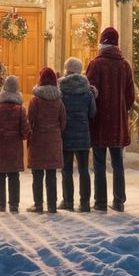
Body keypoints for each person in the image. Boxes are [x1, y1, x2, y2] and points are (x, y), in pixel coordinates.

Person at [87, 27, 137, 212]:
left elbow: (89, 93)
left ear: (102, 44)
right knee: (118, 163)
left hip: (100, 120)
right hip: (118, 122)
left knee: (99, 162)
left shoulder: (95, 65)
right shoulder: (125, 66)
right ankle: (119, 200)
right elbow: (131, 96)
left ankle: (100, 201)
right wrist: (123, 109)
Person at [0, 75, 30, 213]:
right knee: (14, 176)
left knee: (0, 176)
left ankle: (1, 204)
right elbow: (26, 130)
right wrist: (23, 136)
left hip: (0, 148)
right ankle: (14, 205)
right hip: (14, 148)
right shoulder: (20, 110)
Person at [58, 57, 97, 213]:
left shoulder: (62, 89)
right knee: (83, 170)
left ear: (67, 70)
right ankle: (85, 203)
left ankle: (68, 201)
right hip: (83, 134)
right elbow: (93, 112)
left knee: (66, 169)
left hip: (66, 134)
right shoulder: (87, 91)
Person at [26, 67, 67, 214]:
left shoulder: (35, 101)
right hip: (54, 141)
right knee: (51, 175)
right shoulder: (59, 101)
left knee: (37, 175)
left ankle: (38, 204)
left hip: (38, 140)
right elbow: (63, 122)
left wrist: (29, 137)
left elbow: (29, 122)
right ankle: (52, 205)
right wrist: (55, 132)